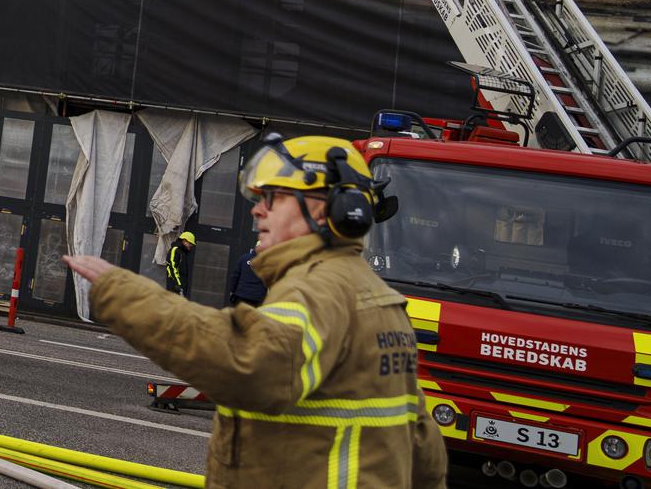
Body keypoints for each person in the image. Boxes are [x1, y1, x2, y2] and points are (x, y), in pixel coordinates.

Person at [64, 135, 446, 488]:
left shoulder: (319, 290)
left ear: (325, 206)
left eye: (274, 197)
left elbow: (248, 362)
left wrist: (125, 295)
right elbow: (425, 450)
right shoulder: (377, 296)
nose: (257, 211)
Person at [164, 228, 195, 294]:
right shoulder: (175, 250)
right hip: (175, 287)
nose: (191, 245)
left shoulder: (183, 253)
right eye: (190, 243)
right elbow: (172, 267)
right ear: (184, 241)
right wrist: (178, 284)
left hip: (180, 288)